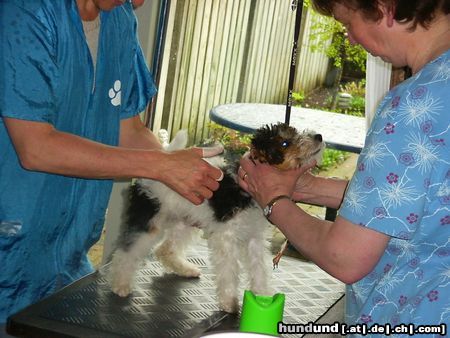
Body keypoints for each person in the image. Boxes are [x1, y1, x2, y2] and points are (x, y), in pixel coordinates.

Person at [0, 0, 223, 330]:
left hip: (67, 260)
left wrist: (177, 182)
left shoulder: (119, 20)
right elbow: (36, 147)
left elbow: (128, 130)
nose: (140, 2)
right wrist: (160, 166)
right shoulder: (24, 12)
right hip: (7, 251)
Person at [238, 0, 450, 332]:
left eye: (347, 23)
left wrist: (274, 202)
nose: (349, 38)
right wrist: (305, 187)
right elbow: (426, 201)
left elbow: (345, 257)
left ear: (384, 9)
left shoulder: (412, 105)